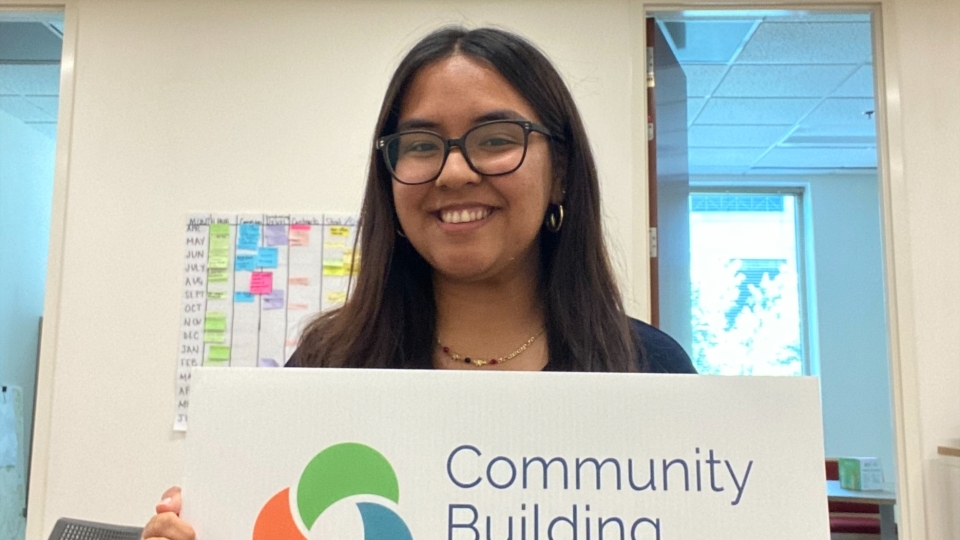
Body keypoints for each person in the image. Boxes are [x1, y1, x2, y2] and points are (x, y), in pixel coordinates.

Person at [141, 25, 695, 540]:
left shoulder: (648, 368)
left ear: (563, 173)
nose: (454, 172)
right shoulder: (329, 365)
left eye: (496, 139)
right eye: (422, 146)